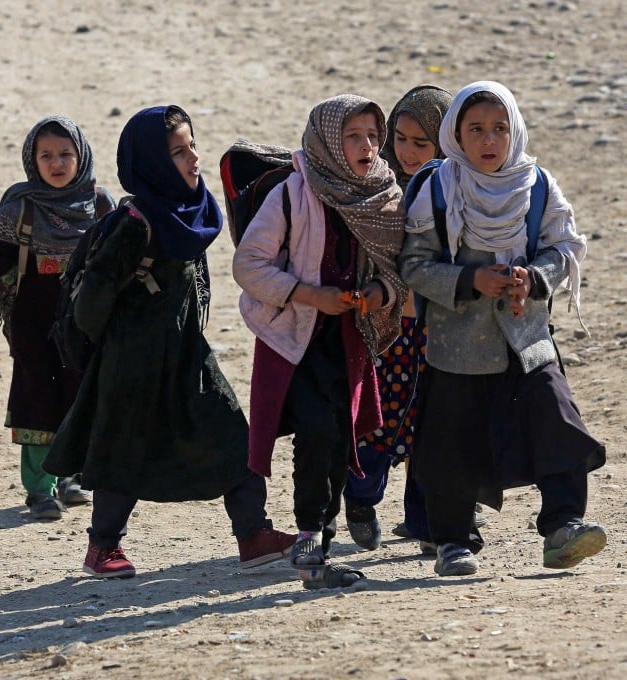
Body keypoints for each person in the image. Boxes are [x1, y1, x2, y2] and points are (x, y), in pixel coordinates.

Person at [43, 105, 295, 578]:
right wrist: (120, 350)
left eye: (192, 145)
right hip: (133, 362)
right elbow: (90, 304)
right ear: (154, 163)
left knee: (234, 438)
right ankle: (102, 549)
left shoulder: (187, 211)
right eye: (178, 152)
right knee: (124, 452)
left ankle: (254, 536)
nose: (192, 158)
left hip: (185, 354)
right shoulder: (134, 224)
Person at [399, 81, 607, 577]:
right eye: (477, 129)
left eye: (499, 128)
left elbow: (564, 248)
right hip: (457, 344)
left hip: (526, 337)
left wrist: (533, 279)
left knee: (556, 420)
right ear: (457, 135)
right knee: (452, 439)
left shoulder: (536, 184)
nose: (489, 140)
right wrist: (471, 279)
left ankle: (563, 527)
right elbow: (414, 265)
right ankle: (453, 543)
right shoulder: (438, 189)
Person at [233, 94, 408, 588]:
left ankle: (321, 545)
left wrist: (379, 292)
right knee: (316, 436)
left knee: (337, 444)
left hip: (349, 345)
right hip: (294, 341)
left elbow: (400, 271)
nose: (367, 146)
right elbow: (249, 266)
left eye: (374, 135)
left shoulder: (384, 197)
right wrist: (310, 295)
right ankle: (311, 550)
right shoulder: (294, 193)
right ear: (329, 141)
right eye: (353, 136)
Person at [0, 116, 115, 520]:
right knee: (37, 400)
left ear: (81, 155)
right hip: (35, 325)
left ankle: (71, 476)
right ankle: (39, 489)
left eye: (66, 154)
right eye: (46, 155)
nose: (57, 163)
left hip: (85, 323)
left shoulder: (99, 203)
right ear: (32, 160)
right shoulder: (22, 207)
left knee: (80, 394)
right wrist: (17, 289)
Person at [343, 85, 454, 554]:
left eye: (421, 143)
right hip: (388, 331)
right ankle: (361, 501)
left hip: (443, 329)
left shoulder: (459, 190)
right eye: (401, 139)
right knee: (380, 423)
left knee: (432, 426)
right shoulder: (375, 189)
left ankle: (427, 523)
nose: (407, 152)